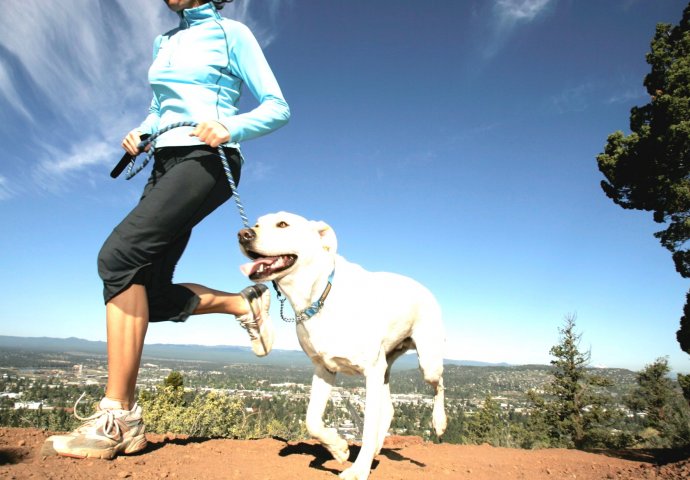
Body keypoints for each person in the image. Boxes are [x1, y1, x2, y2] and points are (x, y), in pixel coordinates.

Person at [45, 0, 290, 459]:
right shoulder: (165, 41)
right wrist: (142, 131)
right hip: (164, 160)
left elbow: (278, 108)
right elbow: (161, 108)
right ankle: (245, 304)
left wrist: (230, 124)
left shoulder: (231, 33)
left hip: (207, 160)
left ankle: (119, 416)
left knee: (117, 257)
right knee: (149, 293)